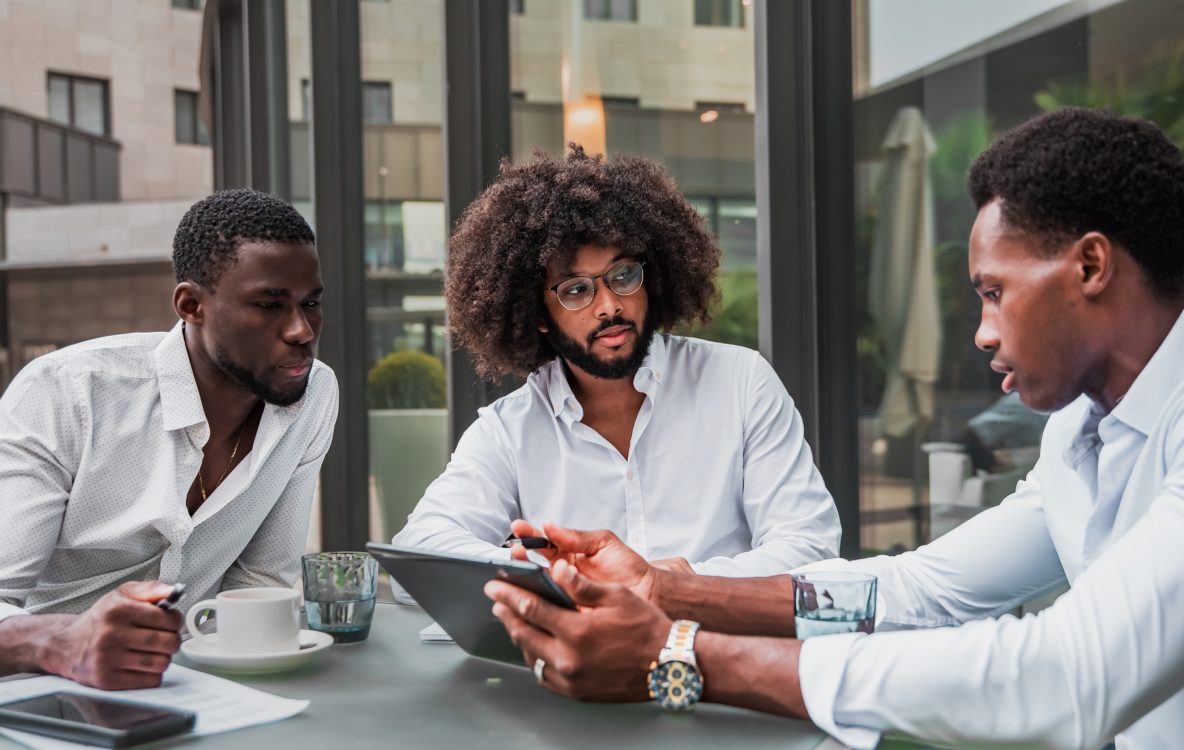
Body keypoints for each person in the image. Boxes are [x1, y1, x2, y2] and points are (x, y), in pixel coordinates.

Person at [485, 108, 1184, 749]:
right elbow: (920, 590)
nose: (982, 332)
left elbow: (1065, 678)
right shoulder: (1077, 434)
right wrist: (663, 591)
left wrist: (681, 657)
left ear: (1090, 266)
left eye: (995, 292)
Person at [393, 145, 840, 578]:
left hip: (712, 629)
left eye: (623, 275)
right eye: (576, 290)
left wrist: (673, 585)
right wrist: (556, 576)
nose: (609, 305)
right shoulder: (510, 431)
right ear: (537, 315)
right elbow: (420, 551)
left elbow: (810, 546)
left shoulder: (740, 382)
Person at [0, 189, 338, 690]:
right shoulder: (66, 393)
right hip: (32, 696)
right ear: (191, 305)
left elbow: (260, 583)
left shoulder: (313, 394)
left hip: (199, 689)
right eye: (269, 305)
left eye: (311, 303)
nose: (301, 330)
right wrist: (61, 643)